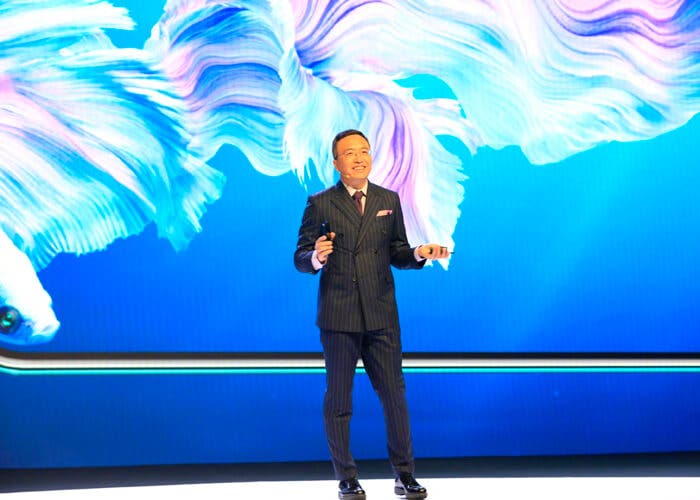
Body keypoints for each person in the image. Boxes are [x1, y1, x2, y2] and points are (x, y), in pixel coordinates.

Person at [294, 129, 449, 500]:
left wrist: (418, 253)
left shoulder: (387, 199)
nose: (359, 158)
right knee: (339, 400)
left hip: (381, 314)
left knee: (394, 397)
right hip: (340, 315)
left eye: (364, 151)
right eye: (350, 153)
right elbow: (300, 258)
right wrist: (317, 257)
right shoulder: (320, 203)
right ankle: (346, 477)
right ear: (336, 162)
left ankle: (405, 474)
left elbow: (396, 251)